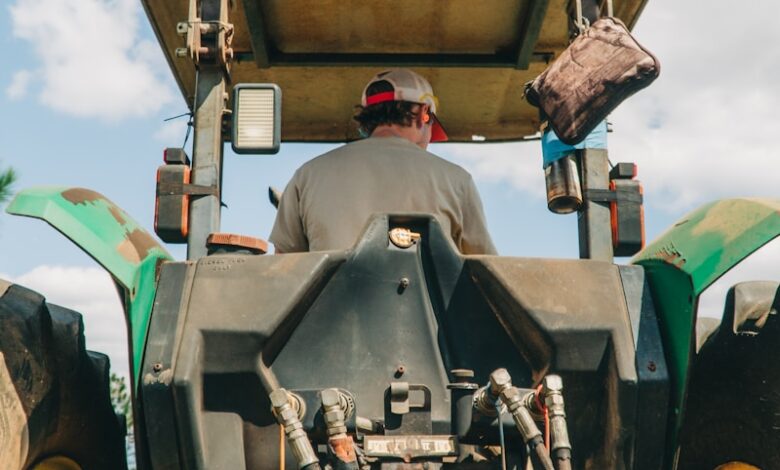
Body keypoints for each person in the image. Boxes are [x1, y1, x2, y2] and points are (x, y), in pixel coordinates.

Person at [270, 68, 497, 255]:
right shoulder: (457, 180)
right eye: (431, 125)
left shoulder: (308, 175)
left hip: (333, 309)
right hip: (429, 311)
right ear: (423, 113)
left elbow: (283, 267)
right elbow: (486, 273)